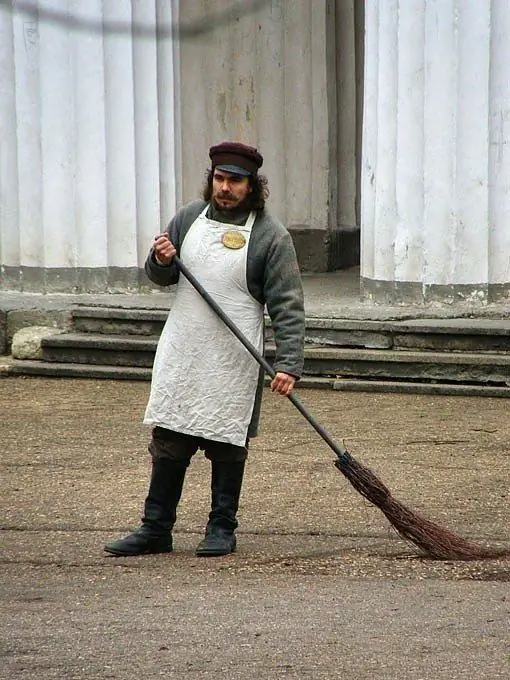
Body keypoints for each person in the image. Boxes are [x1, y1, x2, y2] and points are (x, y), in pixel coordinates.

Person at [104, 141, 305, 558]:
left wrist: (288, 364)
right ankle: (155, 528)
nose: (225, 187)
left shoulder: (271, 236)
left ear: (253, 186)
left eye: (235, 180)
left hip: (235, 354)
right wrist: (161, 259)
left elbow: (288, 304)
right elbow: (159, 277)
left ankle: (221, 529)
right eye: (219, 178)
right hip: (185, 346)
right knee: (169, 437)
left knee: (227, 441)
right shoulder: (189, 218)